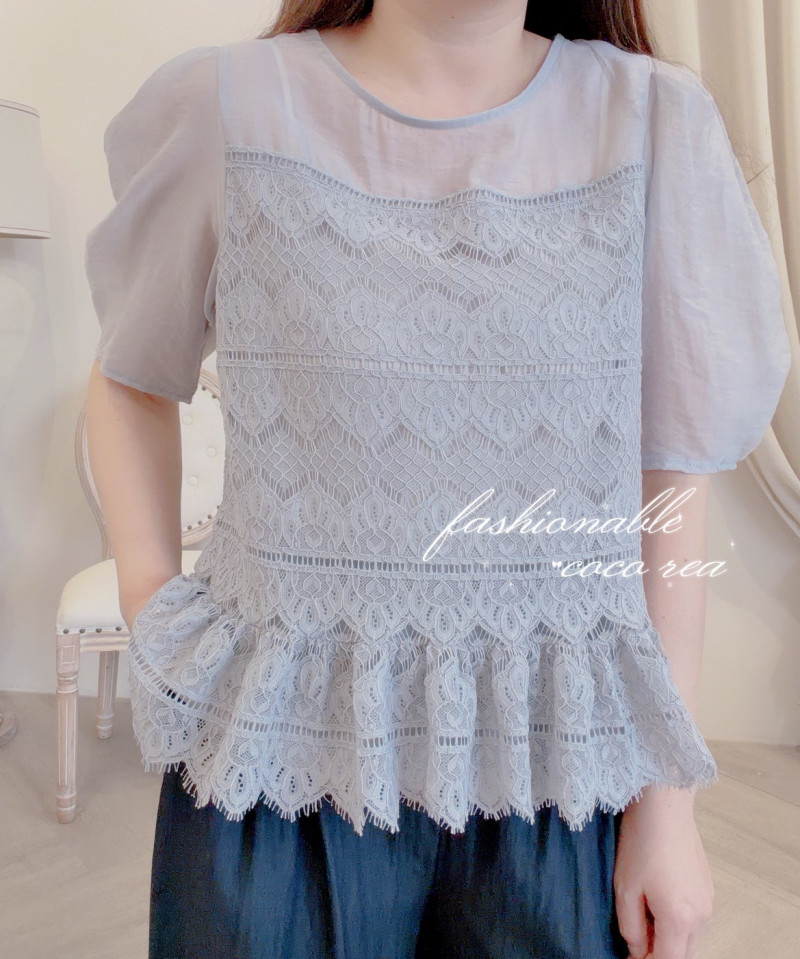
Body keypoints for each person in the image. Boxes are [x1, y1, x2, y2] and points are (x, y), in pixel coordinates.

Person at [83, 1, 792, 957]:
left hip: (557, 776)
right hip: (277, 759)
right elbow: (131, 372)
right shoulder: (231, 105)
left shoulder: (653, 122)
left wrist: (668, 811)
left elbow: (671, 482)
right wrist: (152, 603)